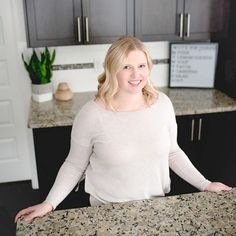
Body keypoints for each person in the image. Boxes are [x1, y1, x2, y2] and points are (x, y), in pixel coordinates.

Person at [15, 36, 232, 223]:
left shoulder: (163, 104)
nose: (136, 74)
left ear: (149, 67)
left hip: (156, 208)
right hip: (107, 211)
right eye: (126, 66)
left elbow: (172, 152)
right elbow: (74, 165)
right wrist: (49, 203)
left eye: (141, 65)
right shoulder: (91, 114)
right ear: (112, 69)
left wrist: (205, 184)